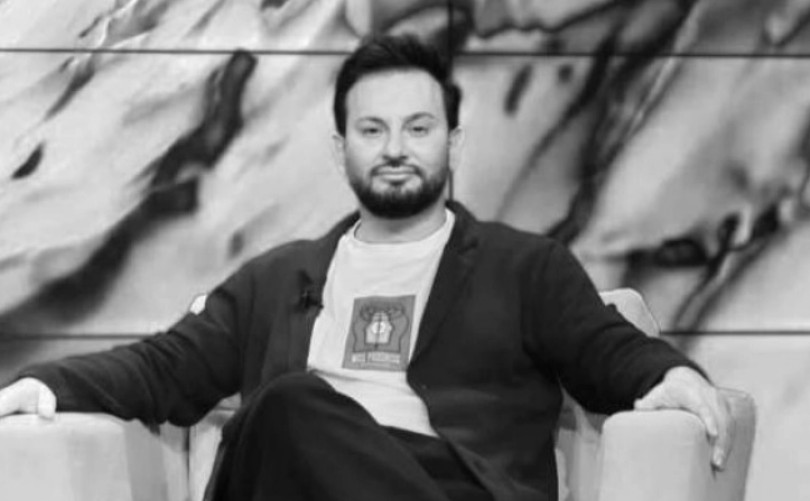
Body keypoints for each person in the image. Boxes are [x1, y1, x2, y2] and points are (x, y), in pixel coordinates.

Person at [0, 35, 730, 501]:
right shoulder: (276, 280)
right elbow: (165, 367)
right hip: (294, 470)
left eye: (418, 128)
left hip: (449, 486)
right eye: (372, 129)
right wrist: (46, 384)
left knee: (284, 410)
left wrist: (666, 373)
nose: (395, 149)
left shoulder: (523, 268)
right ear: (340, 149)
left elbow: (605, 347)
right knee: (287, 415)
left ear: (453, 143)